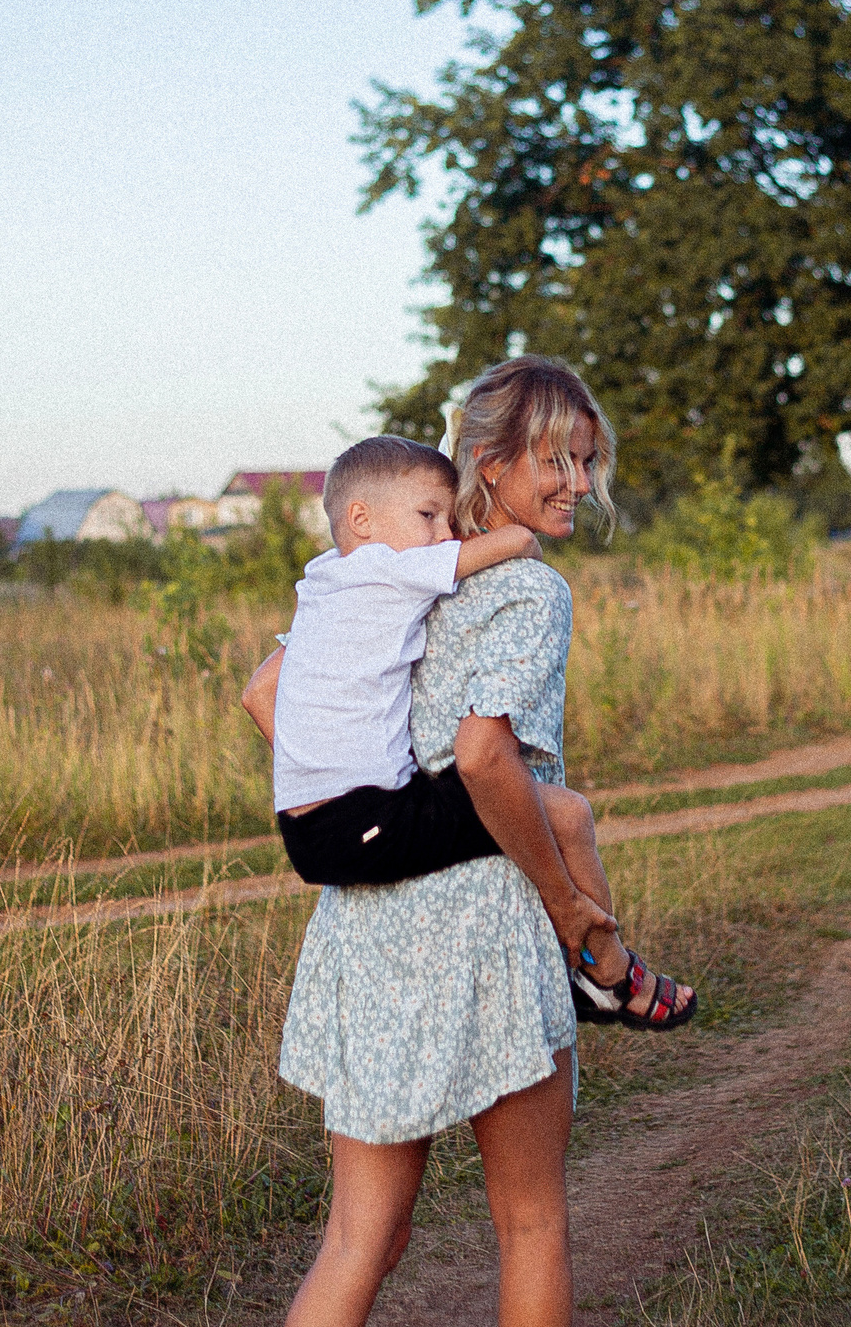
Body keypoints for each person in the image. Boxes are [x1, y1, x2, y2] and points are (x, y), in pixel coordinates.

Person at [266, 355, 692, 1327]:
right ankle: (608, 966)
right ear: (490, 464)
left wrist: (354, 802)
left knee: (359, 1238)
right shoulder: (526, 591)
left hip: (369, 923)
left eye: (588, 465)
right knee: (530, 1223)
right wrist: (567, 905)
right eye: (558, 461)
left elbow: (271, 693)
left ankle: (613, 972)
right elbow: (485, 753)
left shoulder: (374, 573)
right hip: (483, 925)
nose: (579, 485)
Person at [242, 431, 695, 1032]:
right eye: (429, 516)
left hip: (323, 824)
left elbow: (258, 694)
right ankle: (607, 975)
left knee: (551, 814)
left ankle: (597, 968)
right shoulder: (391, 571)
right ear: (362, 519)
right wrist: (503, 538)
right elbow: (518, 540)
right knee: (566, 817)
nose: (442, 534)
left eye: (447, 519)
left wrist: (319, 768)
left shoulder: (325, 583)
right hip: (360, 819)